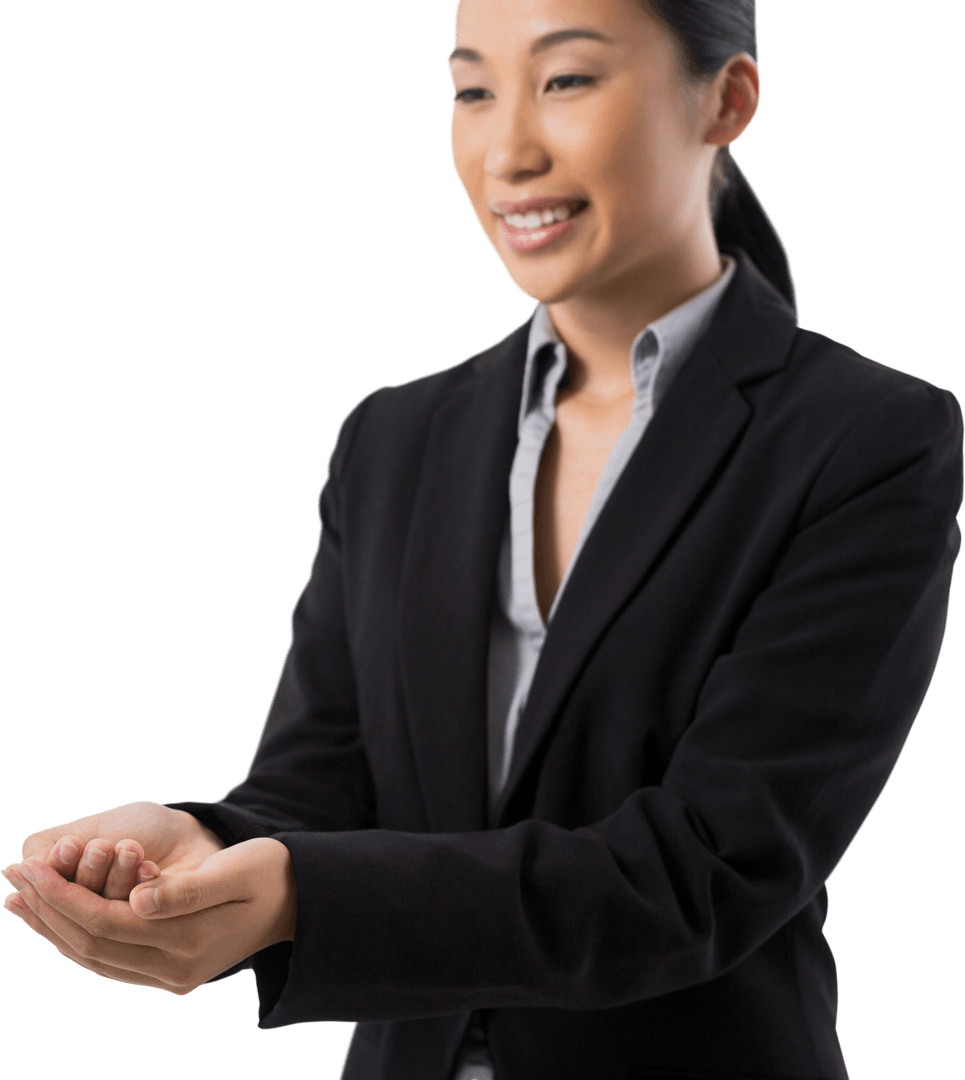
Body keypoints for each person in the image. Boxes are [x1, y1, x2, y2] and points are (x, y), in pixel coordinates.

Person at [3, 1, 962, 1078]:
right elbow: (319, 788)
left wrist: (300, 901)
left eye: (566, 81)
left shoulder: (869, 440)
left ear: (726, 100)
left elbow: (706, 869)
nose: (506, 150)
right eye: (470, 89)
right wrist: (204, 846)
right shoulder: (392, 437)